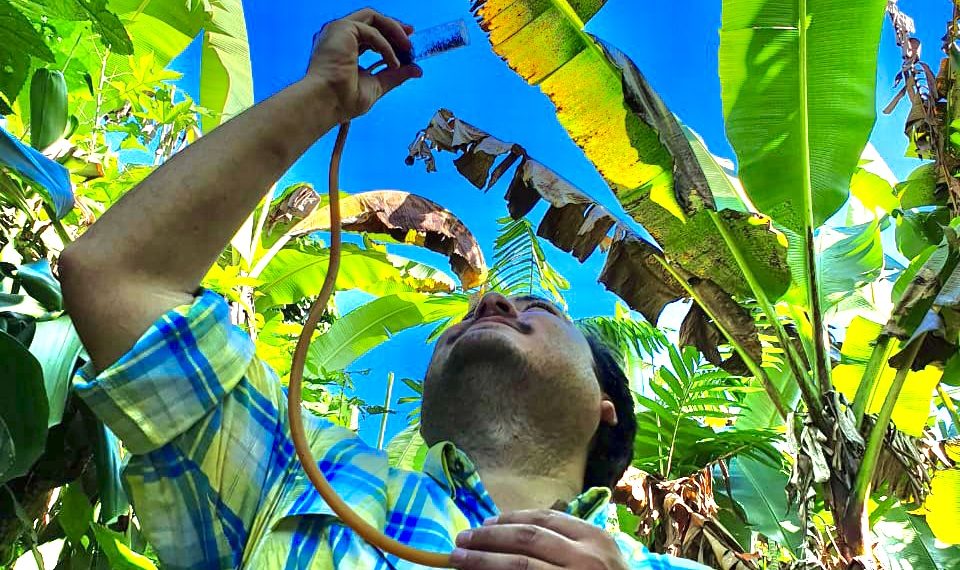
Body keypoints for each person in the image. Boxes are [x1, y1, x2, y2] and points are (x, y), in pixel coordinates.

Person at [59, 8, 709, 570]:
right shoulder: (300, 470)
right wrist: (320, 97)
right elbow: (115, 277)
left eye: (537, 307)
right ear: (426, 415)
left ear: (605, 403)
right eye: (479, 309)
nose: (487, 301)